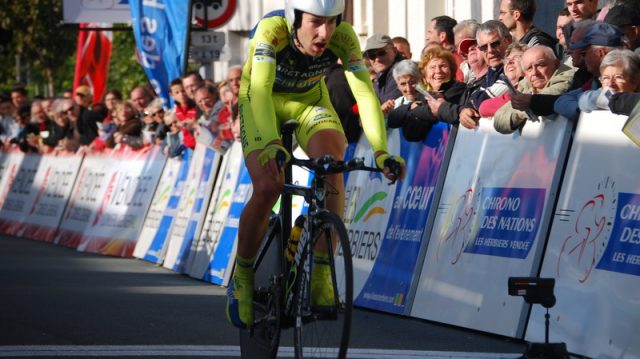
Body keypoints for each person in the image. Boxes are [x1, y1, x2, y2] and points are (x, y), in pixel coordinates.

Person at [227, 0, 405, 330]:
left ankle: (322, 266)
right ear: (294, 19)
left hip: (310, 102)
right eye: (314, 23)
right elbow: (261, 89)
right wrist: (271, 143)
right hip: (261, 102)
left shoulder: (344, 36)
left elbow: (365, 94)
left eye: (332, 22)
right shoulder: (271, 31)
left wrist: (381, 151)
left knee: (332, 167)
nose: (325, 32)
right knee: (268, 187)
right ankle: (243, 276)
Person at [388, 47, 466, 141]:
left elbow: (432, 111)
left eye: (443, 66)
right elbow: (393, 120)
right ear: (425, 75)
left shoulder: (458, 89)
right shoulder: (423, 95)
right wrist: (411, 106)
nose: (438, 71)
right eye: (432, 67)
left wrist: (414, 111)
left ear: (451, 70)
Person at [494, 45, 575, 133]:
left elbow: (546, 98)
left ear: (556, 64)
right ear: (524, 73)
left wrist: (527, 103)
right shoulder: (525, 83)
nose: (534, 72)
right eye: (529, 68)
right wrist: (520, 114)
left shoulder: (566, 75)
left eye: (540, 65)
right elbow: (498, 121)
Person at [554, 22, 624, 121]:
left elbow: (611, 97)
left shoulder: (628, 76)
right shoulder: (595, 80)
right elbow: (561, 101)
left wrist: (587, 102)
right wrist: (580, 111)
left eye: (584, 53)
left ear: (600, 53)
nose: (583, 58)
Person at [468, 20, 513, 110]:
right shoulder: (492, 70)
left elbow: (483, 98)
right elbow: (472, 100)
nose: (490, 50)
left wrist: (470, 105)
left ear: (508, 40)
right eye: (484, 47)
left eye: (495, 44)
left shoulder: (515, 66)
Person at [478, 42, 528, 118]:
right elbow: (483, 107)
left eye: (516, 58)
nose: (510, 62)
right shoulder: (506, 87)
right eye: (507, 60)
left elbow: (484, 107)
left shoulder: (528, 88)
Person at [364, 33, 405, 115]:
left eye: (382, 53)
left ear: (394, 51)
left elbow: (388, 109)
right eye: (372, 55)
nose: (377, 59)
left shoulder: (402, 70)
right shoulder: (382, 73)